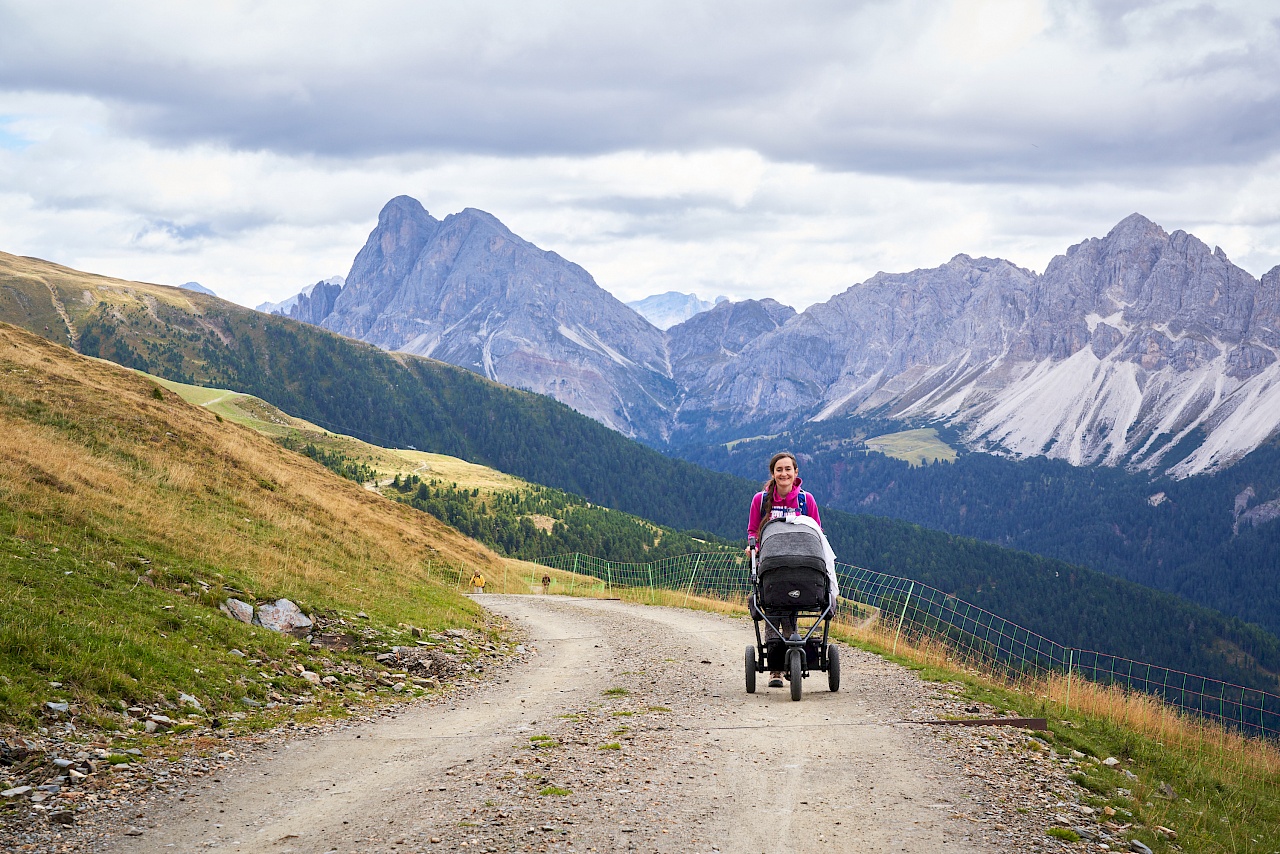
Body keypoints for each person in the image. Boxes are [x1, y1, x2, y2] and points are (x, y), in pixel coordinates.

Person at [747, 451, 822, 688]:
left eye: (788, 469)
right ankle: (780, 664)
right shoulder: (760, 500)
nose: (784, 474)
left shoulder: (806, 500)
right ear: (773, 473)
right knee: (774, 606)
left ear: (796, 472)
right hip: (771, 564)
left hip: (802, 565)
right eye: (779, 470)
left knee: (788, 604)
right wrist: (753, 548)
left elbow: (816, 532)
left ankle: (784, 662)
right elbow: (752, 531)